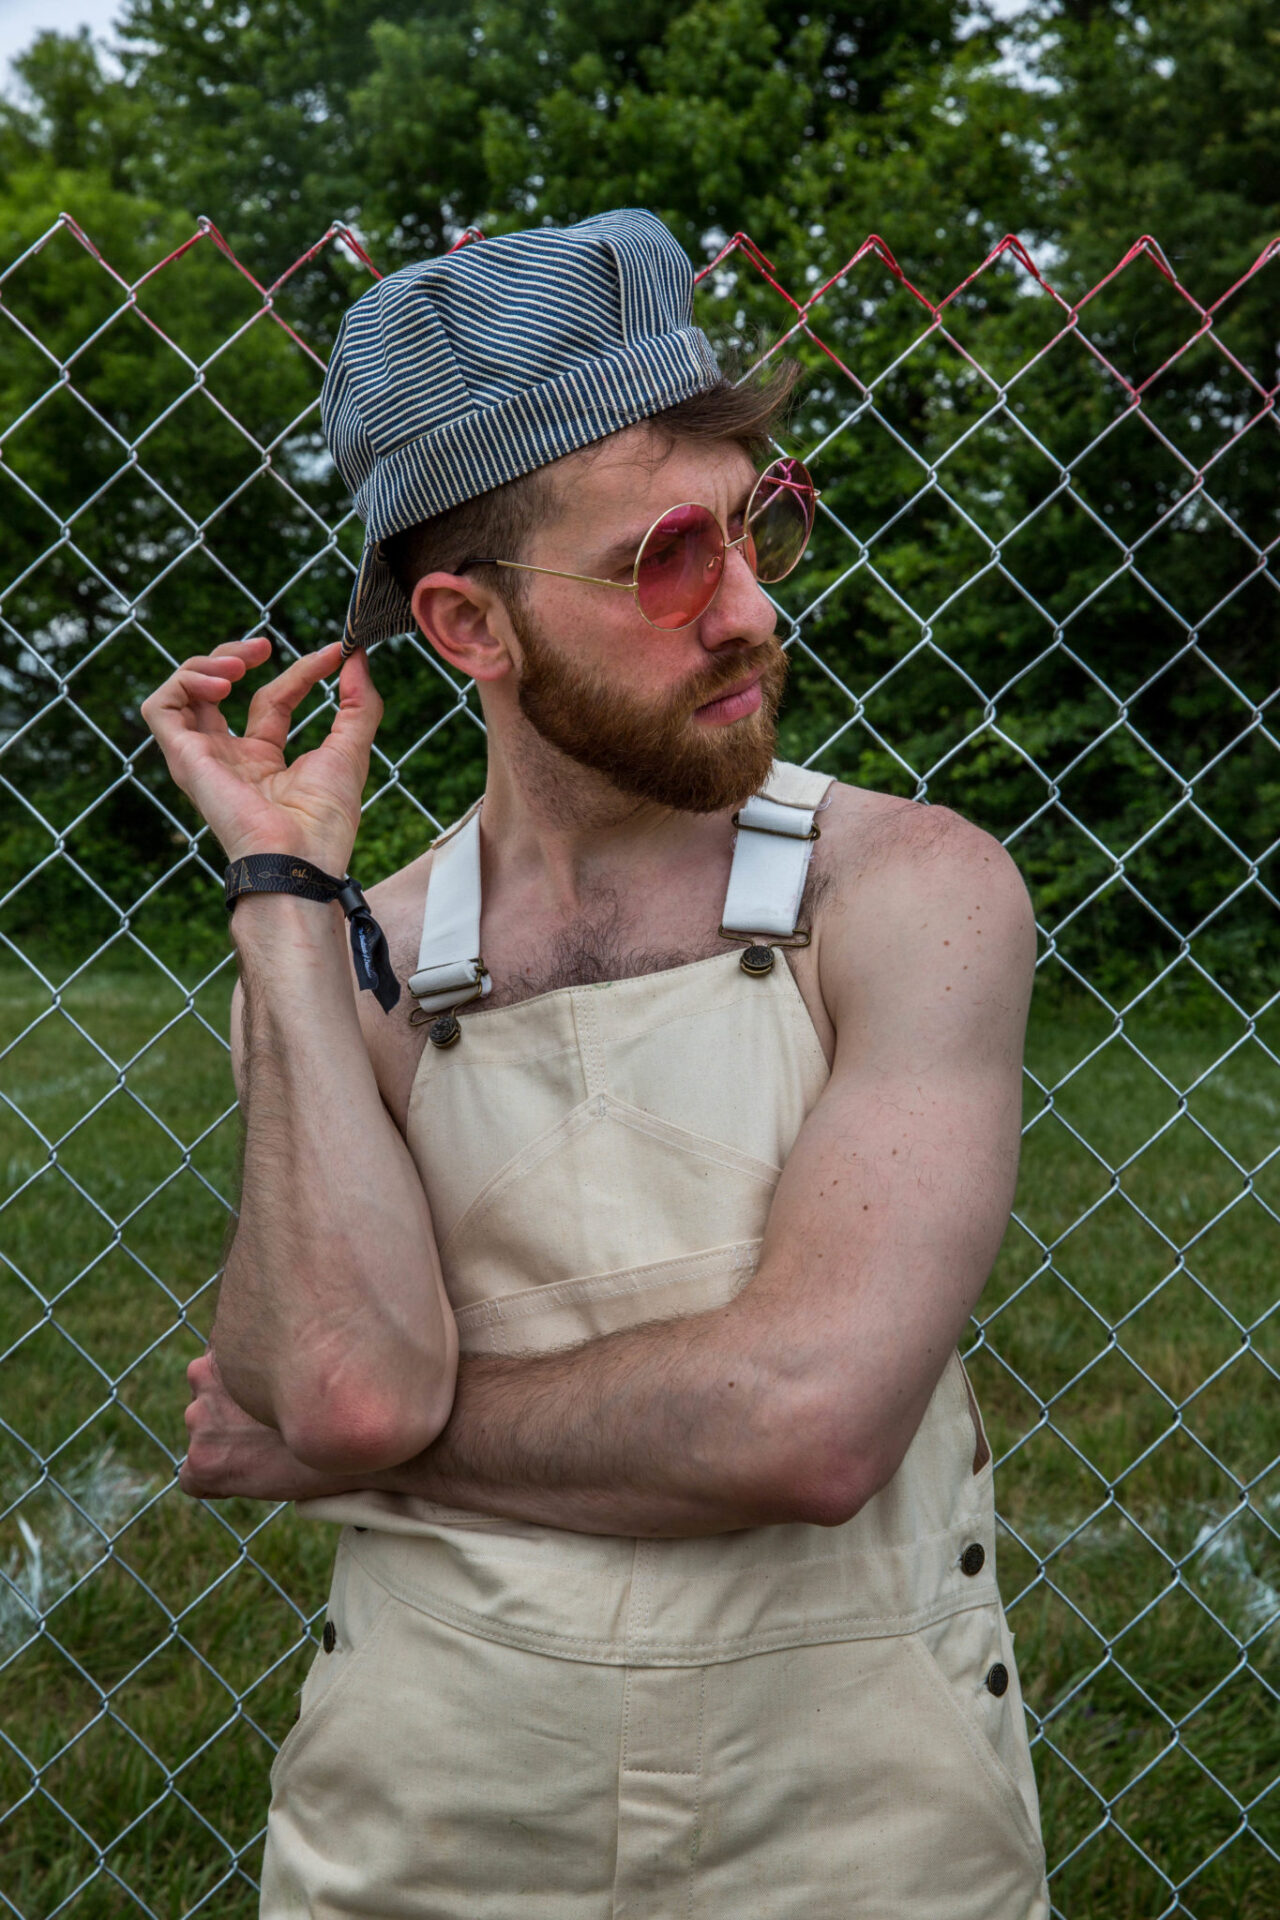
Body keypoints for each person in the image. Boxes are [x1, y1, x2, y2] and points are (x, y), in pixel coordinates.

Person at [142, 209, 1047, 1918]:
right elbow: (337, 1384)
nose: (752, 611)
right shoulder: (356, 958)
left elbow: (807, 1424)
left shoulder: (909, 890)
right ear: (468, 627)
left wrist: (369, 1451)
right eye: (669, 560)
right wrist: (280, 899)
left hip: (862, 1842)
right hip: (423, 1838)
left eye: (756, 525)